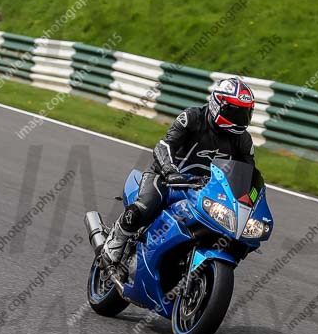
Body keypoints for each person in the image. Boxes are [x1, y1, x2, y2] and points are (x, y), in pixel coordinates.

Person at [102, 76, 256, 265]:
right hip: (167, 177)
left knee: (229, 230)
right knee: (146, 206)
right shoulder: (193, 118)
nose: (240, 119)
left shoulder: (243, 139)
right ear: (218, 104)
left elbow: (249, 173)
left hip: (204, 188)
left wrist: (251, 198)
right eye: (235, 112)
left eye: (245, 113)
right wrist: (170, 171)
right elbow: (164, 146)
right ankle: (117, 240)